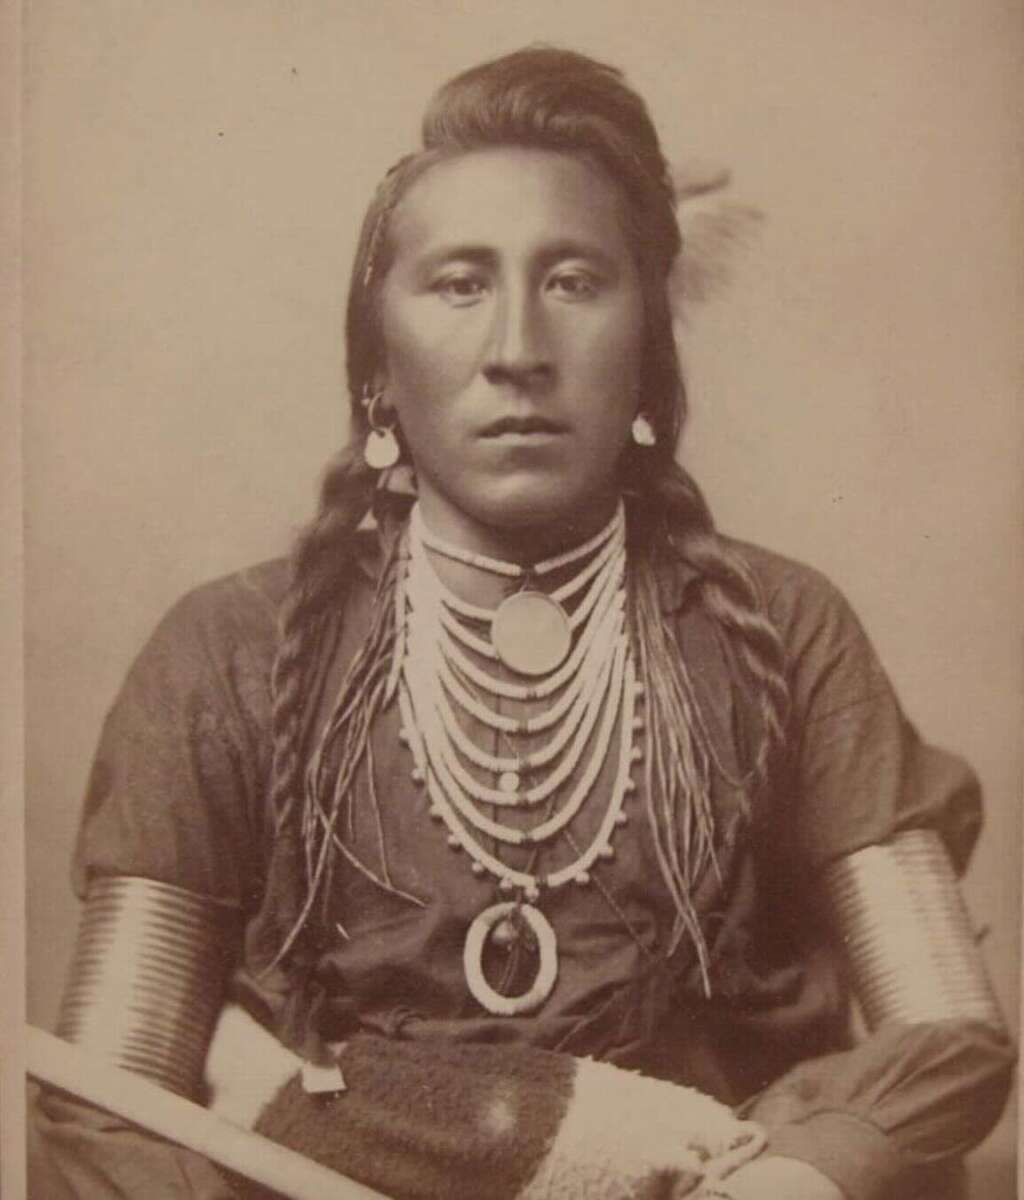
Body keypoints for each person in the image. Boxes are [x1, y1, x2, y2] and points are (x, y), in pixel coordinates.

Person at [33, 46, 1014, 1200]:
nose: (515, 352)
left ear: (647, 343)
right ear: (377, 367)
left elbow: (947, 1036)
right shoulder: (223, 651)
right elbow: (110, 1102)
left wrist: (784, 1184)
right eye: (458, 283)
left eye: (573, 282)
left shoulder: (784, 627)